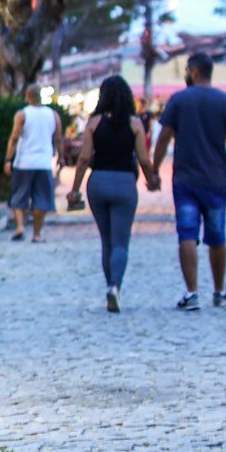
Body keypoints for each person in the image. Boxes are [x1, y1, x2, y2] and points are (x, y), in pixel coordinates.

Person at [149, 51, 226, 311]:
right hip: (216, 179)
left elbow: (164, 137)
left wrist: (154, 169)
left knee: (187, 234)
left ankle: (191, 292)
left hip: (185, 179)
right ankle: (218, 291)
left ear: (194, 72)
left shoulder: (179, 100)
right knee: (217, 236)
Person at [66, 74, 160, 312]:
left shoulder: (94, 123)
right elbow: (144, 160)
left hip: (97, 183)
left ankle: (110, 285)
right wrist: (150, 181)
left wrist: (75, 189)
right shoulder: (135, 124)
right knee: (121, 241)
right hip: (124, 183)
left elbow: (85, 158)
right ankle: (115, 287)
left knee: (106, 241)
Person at [4, 85, 60, 242]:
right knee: (41, 200)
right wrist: (61, 159)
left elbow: (14, 138)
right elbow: (58, 139)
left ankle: (20, 226)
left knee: (18, 197)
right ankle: (37, 234)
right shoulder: (53, 115)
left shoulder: (22, 114)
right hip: (44, 163)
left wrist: (8, 159)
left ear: (27, 96)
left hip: (24, 162)